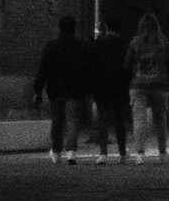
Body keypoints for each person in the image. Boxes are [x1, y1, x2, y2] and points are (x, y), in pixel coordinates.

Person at [32, 15, 91, 165]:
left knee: (57, 121)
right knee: (72, 120)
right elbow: (88, 69)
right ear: (74, 28)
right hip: (75, 89)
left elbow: (43, 69)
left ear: (60, 28)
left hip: (56, 89)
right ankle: (71, 153)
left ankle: (56, 152)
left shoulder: (51, 46)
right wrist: (88, 87)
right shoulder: (81, 45)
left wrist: (38, 89)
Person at [124, 12, 169, 161]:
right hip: (160, 85)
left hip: (138, 85)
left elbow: (127, 64)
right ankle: (162, 152)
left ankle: (140, 154)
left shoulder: (135, 42)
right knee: (160, 120)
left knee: (139, 121)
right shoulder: (163, 42)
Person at [89, 14, 131, 164]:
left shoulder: (99, 42)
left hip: (101, 84)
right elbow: (128, 65)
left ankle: (103, 153)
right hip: (120, 85)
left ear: (106, 27)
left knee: (103, 120)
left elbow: (93, 64)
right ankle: (122, 153)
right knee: (120, 120)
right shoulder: (125, 43)